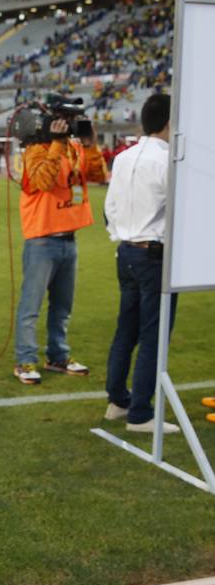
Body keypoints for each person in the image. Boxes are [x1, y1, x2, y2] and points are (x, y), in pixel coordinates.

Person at [104, 93, 181, 434]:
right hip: (153, 252)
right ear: (170, 122)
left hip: (127, 249)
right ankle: (140, 413)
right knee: (153, 334)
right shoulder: (168, 161)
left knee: (127, 329)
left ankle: (118, 400)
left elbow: (111, 208)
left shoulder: (124, 157)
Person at [13, 115, 106, 384]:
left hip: (68, 238)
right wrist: (55, 144)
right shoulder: (35, 150)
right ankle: (25, 360)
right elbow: (42, 180)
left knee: (62, 307)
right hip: (42, 239)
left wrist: (90, 144)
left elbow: (99, 175)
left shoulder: (73, 148)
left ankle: (58, 356)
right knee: (31, 306)